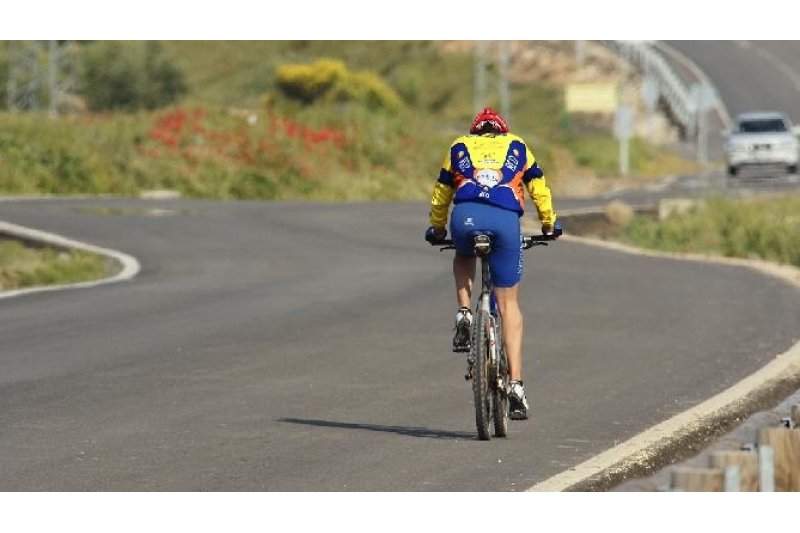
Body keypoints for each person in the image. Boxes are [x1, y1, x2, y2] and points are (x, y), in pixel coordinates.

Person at [425, 107, 560, 420]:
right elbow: (538, 187)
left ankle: (463, 311)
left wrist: (438, 228)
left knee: (462, 254)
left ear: (476, 132)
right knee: (509, 304)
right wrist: (549, 224)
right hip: (504, 221)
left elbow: (441, 193)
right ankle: (515, 384)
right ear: (502, 131)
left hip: (465, 216)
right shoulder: (518, 146)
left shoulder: (459, 146)